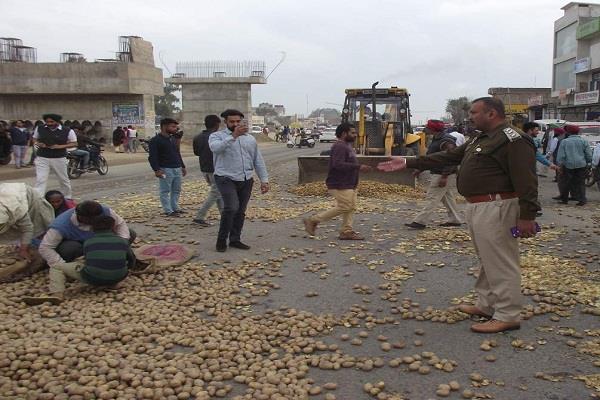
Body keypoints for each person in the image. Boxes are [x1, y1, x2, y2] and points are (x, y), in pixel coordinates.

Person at [378, 97, 540, 334]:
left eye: (475, 112)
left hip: (497, 206)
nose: (470, 117)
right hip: (477, 206)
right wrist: (409, 161)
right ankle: (487, 305)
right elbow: (450, 157)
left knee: (501, 261)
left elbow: (527, 181)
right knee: (487, 259)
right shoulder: (480, 137)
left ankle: (508, 314)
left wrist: (528, 216)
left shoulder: (513, 139)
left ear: (492, 114)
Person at [25, 215, 134, 305]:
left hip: (93, 278)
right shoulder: (122, 241)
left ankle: (57, 294)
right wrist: (123, 271)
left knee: (56, 266)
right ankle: (112, 283)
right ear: (113, 227)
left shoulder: (89, 241)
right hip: (120, 276)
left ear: (92, 228)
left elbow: (88, 260)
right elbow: (131, 259)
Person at [209, 109, 269, 252]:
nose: (235, 124)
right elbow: (215, 149)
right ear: (225, 122)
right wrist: (233, 136)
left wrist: (264, 180)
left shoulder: (249, 139)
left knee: (240, 211)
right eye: (232, 122)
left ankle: (235, 239)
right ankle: (221, 240)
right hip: (225, 177)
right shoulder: (216, 136)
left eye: (238, 121)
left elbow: (257, 160)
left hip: (246, 178)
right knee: (231, 207)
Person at [302, 123, 372, 240]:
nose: (356, 135)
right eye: (353, 133)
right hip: (340, 183)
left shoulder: (347, 146)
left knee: (351, 207)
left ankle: (346, 231)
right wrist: (358, 167)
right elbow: (337, 164)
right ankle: (313, 220)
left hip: (349, 183)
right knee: (345, 206)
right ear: (344, 134)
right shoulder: (339, 146)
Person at [38, 200, 135, 268]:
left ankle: (110, 256)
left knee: (130, 233)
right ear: (80, 216)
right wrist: (62, 266)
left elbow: (120, 224)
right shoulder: (61, 225)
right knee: (69, 248)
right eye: (91, 220)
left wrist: (123, 243)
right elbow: (45, 247)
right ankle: (84, 262)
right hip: (78, 247)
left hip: (99, 241)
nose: (95, 221)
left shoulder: (105, 211)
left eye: (97, 218)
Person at [405, 120, 463, 230]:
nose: (425, 129)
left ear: (433, 129)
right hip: (440, 172)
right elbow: (431, 159)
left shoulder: (446, 141)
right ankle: (455, 219)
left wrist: (444, 176)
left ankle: (420, 221)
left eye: (427, 127)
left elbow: (451, 159)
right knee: (447, 198)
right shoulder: (437, 139)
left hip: (442, 174)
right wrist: (420, 169)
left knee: (432, 197)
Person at [0, 183, 55, 261]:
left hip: (27, 197)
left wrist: (23, 250)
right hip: (7, 194)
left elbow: (27, 229)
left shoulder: (17, 210)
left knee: (39, 227)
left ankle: (42, 247)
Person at [148, 118, 187, 216]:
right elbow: (152, 157)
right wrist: (157, 169)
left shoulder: (173, 139)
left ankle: (175, 207)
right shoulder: (155, 140)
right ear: (164, 127)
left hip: (177, 167)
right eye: (173, 127)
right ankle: (168, 210)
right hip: (165, 169)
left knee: (176, 190)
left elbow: (177, 152)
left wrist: (182, 166)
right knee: (165, 190)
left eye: (176, 127)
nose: (175, 129)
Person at [32, 114, 76, 199]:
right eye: (47, 122)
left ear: (57, 121)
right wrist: (38, 143)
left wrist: (58, 146)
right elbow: (34, 139)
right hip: (42, 157)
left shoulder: (67, 130)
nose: (49, 123)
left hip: (59, 158)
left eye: (52, 122)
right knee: (41, 179)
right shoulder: (40, 128)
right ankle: (38, 199)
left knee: (63, 179)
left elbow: (74, 143)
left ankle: (67, 197)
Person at [192, 114, 223, 226]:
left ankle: (224, 216)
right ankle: (199, 217)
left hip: (204, 169)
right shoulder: (217, 137)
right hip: (216, 169)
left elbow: (196, 153)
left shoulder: (198, 137)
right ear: (217, 125)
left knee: (218, 193)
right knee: (215, 193)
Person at [556, 124, 593, 206]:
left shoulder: (564, 142)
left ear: (568, 132)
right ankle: (582, 199)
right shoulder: (584, 141)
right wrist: (588, 162)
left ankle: (564, 199)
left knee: (566, 182)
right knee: (580, 183)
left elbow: (561, 156)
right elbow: (589, 155)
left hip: (568, 165)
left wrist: (560, 165)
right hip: (581, 165)